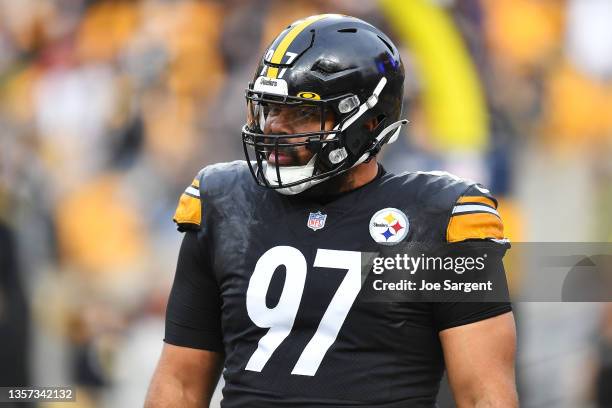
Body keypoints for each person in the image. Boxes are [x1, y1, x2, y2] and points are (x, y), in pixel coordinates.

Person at [145, 14, 517, 408]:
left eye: (302, 112)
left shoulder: (440, 220)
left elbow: (484, 395)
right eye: (270, 108)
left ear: (369, 121)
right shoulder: (224, 203)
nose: (274, 126)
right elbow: (180, 384)